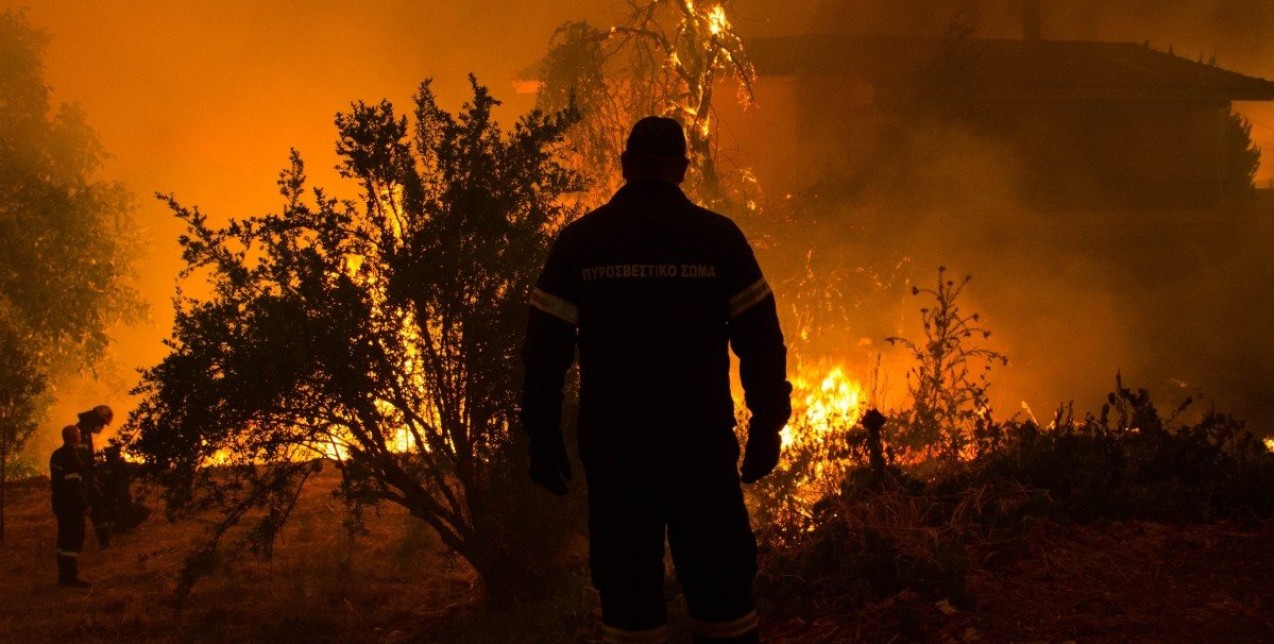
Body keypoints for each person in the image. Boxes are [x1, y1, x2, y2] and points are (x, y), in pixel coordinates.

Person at [520, 116, 792, 644]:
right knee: (724, 601)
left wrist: (542, 433)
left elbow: (545, 349)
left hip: (616, 451)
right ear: (683, 170)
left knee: (630, 609)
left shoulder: (583, 242)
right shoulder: (717, 239)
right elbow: (761, 338)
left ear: (624, 166)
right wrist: (767, 425)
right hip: (700, 447)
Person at [50, 424, 91, 588]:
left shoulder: (57, 454)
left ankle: (63, 575)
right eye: (79, 434)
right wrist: (84, 505)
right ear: (75, 437)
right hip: (70, 506)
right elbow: (73, 486)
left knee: (64, 538)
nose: (80, 436)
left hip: (59, 503)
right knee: (73, 538)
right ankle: (71, 577)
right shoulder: (72, 458)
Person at [76, 405, 114, 547]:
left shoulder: (83, 431)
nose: (102, 427)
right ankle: (100, 541)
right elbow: (81, 460)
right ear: (97, 419)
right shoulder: (80, 433)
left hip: (86, 478)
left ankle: (105, 541)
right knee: (88, 509)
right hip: (82, 480)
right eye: (103, 423)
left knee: (97, 507)